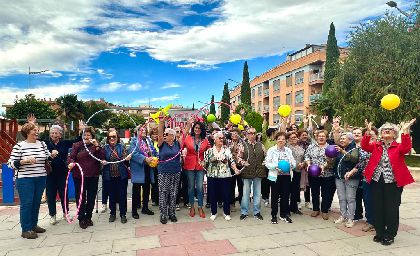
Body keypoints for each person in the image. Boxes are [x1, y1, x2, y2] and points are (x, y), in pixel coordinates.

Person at [362, 119, 415, 246]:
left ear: (395, 134)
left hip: (393, 182)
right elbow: (364, 146)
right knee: (377, 207)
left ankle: (390, 234)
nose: (387, 130)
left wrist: (406, 131)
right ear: (381, 133)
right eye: (384, 129)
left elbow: (407, 148)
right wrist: (368, 133)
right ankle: (379, 232)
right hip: (376, 180)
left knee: (391, 208)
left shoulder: (398, 146)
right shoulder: (376, 145)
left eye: (390, 129)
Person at [8, 122, 58, 239]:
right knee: (27, 204)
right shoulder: (19, 146)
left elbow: (47, 156)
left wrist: (53, 154)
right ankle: (26, 229)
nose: (37, 132)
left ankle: (34, 225)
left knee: (36, 203)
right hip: (25, 179)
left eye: (37, 130)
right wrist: (23, 161)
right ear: (27, 132)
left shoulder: (41, 144)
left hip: (41, 177)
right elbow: (11, 164)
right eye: (34, 130)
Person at [68, 126, 104, 229]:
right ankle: (81, 218)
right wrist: (70, 163)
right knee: (81, 198)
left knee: (91, 197)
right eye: (84, 135)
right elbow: (71, 158)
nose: (86, 136)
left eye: (88, 135)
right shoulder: (77, 145)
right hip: (79, 176)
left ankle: (89, 217)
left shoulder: (96, 146)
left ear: (92, 136)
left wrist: (97, 146)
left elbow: (102, 157)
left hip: (93, 175)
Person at [203, 131, 240, 221]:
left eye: (222, 138)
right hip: (212, 175)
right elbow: (205, 162)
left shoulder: (226, 150)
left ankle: (226, 212)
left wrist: (235, 169)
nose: (221, 139)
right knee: (212, 194)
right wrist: (205, 162)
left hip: (225, 175)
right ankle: (213, 212)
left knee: (226, 194)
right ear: (214, 139)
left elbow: (232, 161)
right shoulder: (210, 150)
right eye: (219, 138)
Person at [157, 115, 183, 224]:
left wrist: (190, 124)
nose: (165, 136)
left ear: (172, 136)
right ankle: (163, 214)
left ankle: (172, 213)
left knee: (173, 193)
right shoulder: (161, 144)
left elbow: (184, 134)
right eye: (165, 134)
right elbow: (159, 134)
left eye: (167, 134)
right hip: (164, 172)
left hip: (176, 172)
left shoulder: (177, 144)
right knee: (163, 193)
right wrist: (161, 123)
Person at [265, 132, 296, 224]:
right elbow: (267, 163)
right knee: (274, 197)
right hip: (275, 176)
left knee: (285, 196)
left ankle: (283, 214)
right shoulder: (271, 150)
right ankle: (273, 215)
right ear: (276, 140)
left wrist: (290, 166)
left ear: (286, 140)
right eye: (279, 139)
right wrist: (275, 167)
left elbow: (293, 162)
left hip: (286, 176)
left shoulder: (288, 150)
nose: (281, 140)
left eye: (283, 139)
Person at [304, 130, 335, 220]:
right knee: (314, 192)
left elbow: (332, 160)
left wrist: (324, 167)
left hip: (327, 174)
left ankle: (324, 210)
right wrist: (308, 164)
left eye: (323, 136)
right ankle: (315, 209)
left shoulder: (330, 147)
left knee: (326, 193)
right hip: (313, 174)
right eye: (319, 136)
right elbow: (306, 156)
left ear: (326, 138)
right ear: (316, 137)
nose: (321, 138)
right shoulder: (311, 146)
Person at [102, 130, 131, 223]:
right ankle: (112, 213)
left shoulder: (121, 147)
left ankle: (123, 214)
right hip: (109, 176)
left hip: (121, 175)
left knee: (122, 195)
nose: (112, 138)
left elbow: (125, 161)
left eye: (114, 136)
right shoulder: (105, 148)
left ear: (117, 138)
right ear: (107, 138)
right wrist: (102, 162)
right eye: (110, 137)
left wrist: (127, 159)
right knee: (112, 195)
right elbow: (101, 159)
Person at [182, 121, 210, 218]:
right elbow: (181, 144)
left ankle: (200, 206)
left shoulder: (205, 140)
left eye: (199, 128)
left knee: (200, 187)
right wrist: (188, 126)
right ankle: (192, 207)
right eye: (195, 128)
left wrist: (205, 161)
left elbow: (209, 153)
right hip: (189, 165)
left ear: (202, 130)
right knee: (190, 187)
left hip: (200, 166)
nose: (197, 129)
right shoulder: (188, 138)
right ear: (193, 129)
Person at [333, 132, 360, 228]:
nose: (341, 140)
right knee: (341, 198)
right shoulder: (340, 149)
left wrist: (342, 151)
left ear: (350, 139)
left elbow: (354, 159)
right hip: (339, 177)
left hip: (351, 178)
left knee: (350, 199)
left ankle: (350, 218)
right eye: (341, 139)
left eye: (344, 139)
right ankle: (343, 215)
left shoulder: (355, 148)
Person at [239, 127, 266, 221]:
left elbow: (266, 156)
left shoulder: (261, 145)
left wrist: (265, 162)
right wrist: (242, 162)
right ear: (247, 135)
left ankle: (257, 212)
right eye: (250, 133)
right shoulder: (243, 145)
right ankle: (244, 212)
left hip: (259, 172)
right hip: (247, 172)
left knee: (257, 193)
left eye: (254, 133)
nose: (252, 135)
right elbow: (239, 158)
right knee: (246, 193)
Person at [354, 127, 378, 232]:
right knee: (368, 200)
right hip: (367, 178)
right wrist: (352, 171)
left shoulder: (381, 146)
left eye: (373, 133)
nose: (371, 135)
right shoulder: (363, 147)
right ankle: (370, 221)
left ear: (377, 135)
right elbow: (360, 163)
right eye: (368, 133)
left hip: (380, 178)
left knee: (380, 200)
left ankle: (380, 221)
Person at [129, 127, 156, 220]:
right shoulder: (134, 141)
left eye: (145, 130)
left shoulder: (148, 140)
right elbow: (133, 153)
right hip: (138, 168)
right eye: (141, 130)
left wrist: (156, 157)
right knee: (136, 191)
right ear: (137, 132)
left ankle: (145, 207)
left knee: (147, 189)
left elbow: (153, 151)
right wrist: (144, 159)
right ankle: (134, 211)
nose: (143, 131)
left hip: (148, 167)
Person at [287, 131, 306, 215]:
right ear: (288, 139)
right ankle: (286, 208)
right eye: (291, 137)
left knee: (296, 190)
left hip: (298, 171)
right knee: (287, 190)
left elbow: (305, 158)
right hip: (288, 172)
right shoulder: (287, 148)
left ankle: (294, 207)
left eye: (295, 137)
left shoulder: (301, 148)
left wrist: (303, 163)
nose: (293, 139)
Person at [228, 128, 245, 211]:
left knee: (241, 185)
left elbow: (240, 155)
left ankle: (242, 202)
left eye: (235, 133)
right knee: (231, 185)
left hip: (240, 166)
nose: (234, 135)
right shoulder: (228, 143)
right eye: (232, 133)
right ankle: (231, 203)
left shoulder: (242, 144)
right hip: (230, 167)